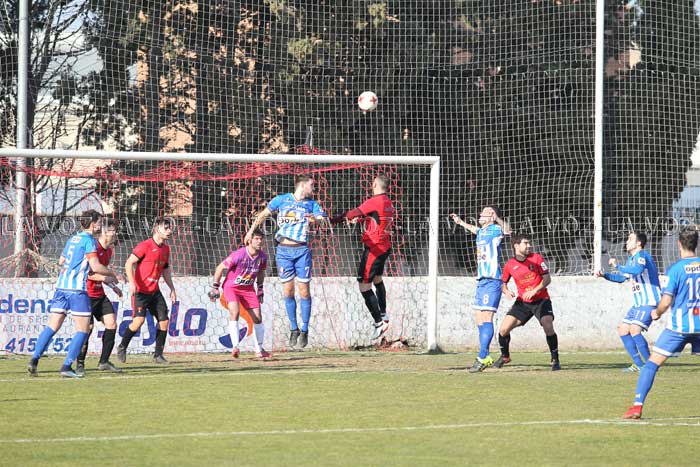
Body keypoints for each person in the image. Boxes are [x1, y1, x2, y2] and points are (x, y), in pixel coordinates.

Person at [623, 228, 700, 419]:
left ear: (679, 244)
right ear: (696, 244)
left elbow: (666, 301)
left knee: (651, 365)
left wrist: (656, 312)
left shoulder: (675, 269)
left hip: (678, 328)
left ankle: (637, 407)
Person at [27, 210, 114, 378]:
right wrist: (112, 274)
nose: (100, 226)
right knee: (83, 330)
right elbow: (95, 266)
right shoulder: (89, 241)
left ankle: (34, 360)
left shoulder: (73, 239)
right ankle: (66, 366)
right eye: (99, 222)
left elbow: (62, 261)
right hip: (77, 290)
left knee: (52, 327)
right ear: (93, 224)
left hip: (61, 288)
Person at [244, 174, 327, 349]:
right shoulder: (281, 200)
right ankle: (294, 328)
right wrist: (250, 232)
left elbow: (321, 219)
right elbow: (263, 215)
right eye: (312, 185)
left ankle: (305, 330)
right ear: (302, 185)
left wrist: (315, 220)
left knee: (304, 292)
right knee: (288, 292)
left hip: (302, 251)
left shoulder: (312, 204)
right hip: (283, 251)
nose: (314, 188)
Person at [332, 175, 394, 341]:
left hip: (374, 249)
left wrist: (333, 220)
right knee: (377, 279)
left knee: (364, 286)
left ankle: (379, 323)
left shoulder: (374, 201)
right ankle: (384, 314)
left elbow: (352, 213)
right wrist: (361, 220)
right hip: (385, 247)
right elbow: (376, 219)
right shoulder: (388, 202)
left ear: (374, 184)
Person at [450, 206, 510, 372]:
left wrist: (497, 219)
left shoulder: (496, 230)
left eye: (484, 212)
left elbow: (508, 230)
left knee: (486, 317)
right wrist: (460, 222)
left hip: (492, 280)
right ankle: (486, 355)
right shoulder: (482, 231)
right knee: (479, 318)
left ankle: (483, 356)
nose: (480, 214)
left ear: (492, 215)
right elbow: (475, 229)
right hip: (482, 280)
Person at [595, 231, 661, 372]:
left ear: (639, 243)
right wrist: (604, 275)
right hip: (638, 304)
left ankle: (651, 366)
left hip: (649, 301)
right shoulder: (630, 260)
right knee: (623, 330)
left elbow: (638, 270)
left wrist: (617, 266)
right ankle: (639, 364)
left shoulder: (642, 255)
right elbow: (621, 278)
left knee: (634, 330)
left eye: (630, 239)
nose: (626, 241)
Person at [494, 233, 561, 371]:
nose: (529, 245)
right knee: (503, 330)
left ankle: (555, 359)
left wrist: (535, 291)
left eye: (529, 243)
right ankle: (505, 356)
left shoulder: (536, 258)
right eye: (525, 243)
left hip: (541, 300)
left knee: (547, 325)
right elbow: (503, 284)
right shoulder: (510, 265)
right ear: (516, 246)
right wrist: (506, 291)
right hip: (522, 303)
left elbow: (547, 279)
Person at [117, 217, 176, 364]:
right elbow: (129, 263)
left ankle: (158, 355)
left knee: (164, 321)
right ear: (156, 229)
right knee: (138, 321)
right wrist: (132, 282)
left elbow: (165, 270)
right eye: (166, 228)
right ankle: (122, 346)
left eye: (170, 228)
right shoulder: (145, 246)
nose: (169, 231)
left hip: (155, 292)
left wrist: (172, 288)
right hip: (140, 292)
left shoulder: (166, 249)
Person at [209, 229, 270, 359]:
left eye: (261, 239)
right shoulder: (239, 255)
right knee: (235, 312)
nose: (259, 241)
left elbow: (261, 272)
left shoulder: (262, 257)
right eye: (256, 239)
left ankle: (259, 350)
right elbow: (220, 267)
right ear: (249, 240)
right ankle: (235, 347)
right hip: (232, 288)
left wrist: (260, 288)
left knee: (258, 318)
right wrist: (215, 287)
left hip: (248, 289)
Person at [76, 218, 124, 375]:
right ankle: (80, 363)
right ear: (103, 232)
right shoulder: (93, 248)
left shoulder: (109, 251)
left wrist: (113, 287)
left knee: (111, 324)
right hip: (86, 295)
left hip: (100, 295)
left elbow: (103, 273)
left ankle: (104, 362)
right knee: (87, 329)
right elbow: (87, 274)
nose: (115, 234)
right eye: (112, 231)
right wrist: (107, 278)